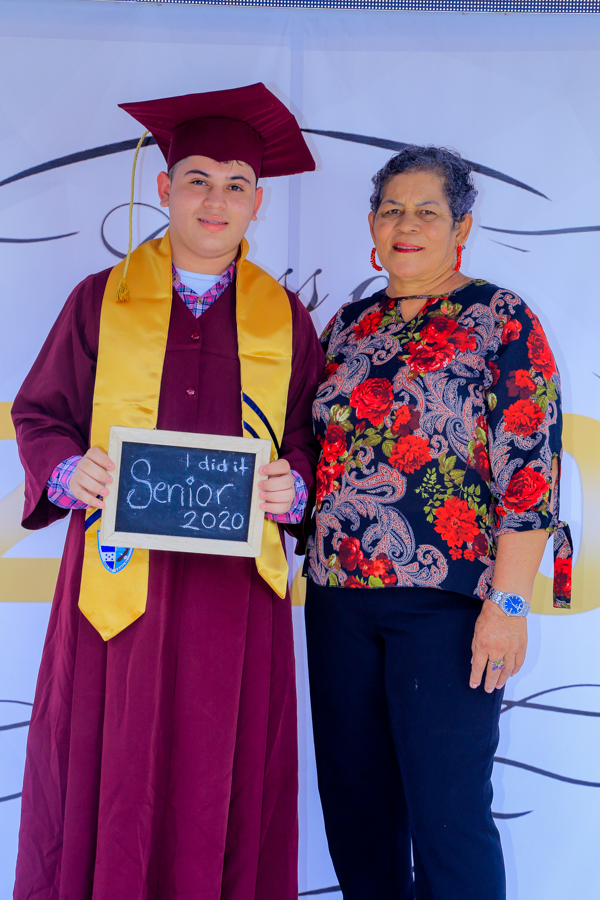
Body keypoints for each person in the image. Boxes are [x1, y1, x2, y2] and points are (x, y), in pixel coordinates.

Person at [12, 83, 324, 900]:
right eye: (197, 180)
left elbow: (310, 439)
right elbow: (40, 413)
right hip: (117, 586)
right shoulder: (99, 300)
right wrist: (66, 470)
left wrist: (294, 485)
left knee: (219, 757)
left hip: (234, 591)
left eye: (235, 185)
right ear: (164, 188)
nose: (215, 201)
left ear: (257, 202)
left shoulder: (285, 319)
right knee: (109, 757)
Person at [304, 145, 571, 900]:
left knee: (448, 817)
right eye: (392, 209)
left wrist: (508, 605)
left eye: (427, 211)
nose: (407, 225)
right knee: (356, 813)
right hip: (336, 600)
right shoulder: (347, 326)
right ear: (372, 224)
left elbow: (529, 472)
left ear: (462, 228)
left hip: (449, 605)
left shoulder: (500, 319)